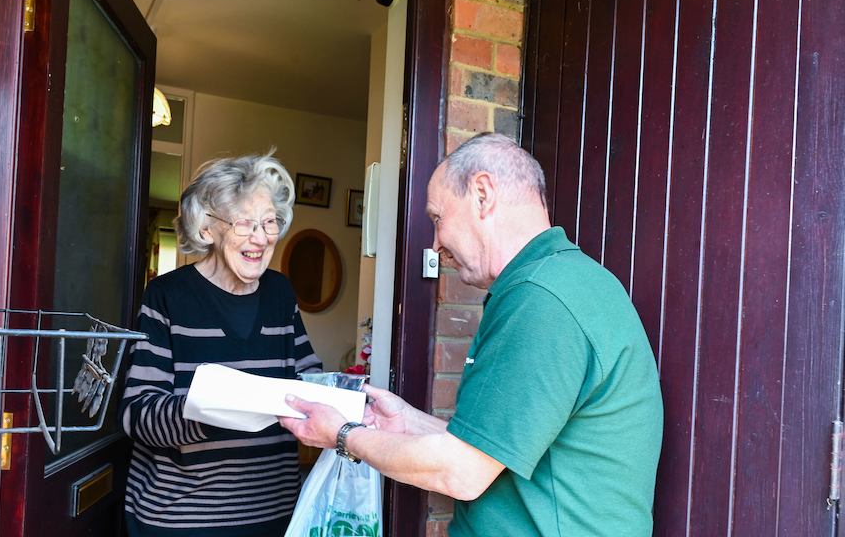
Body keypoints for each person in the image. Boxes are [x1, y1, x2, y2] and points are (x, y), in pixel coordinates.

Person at [280, 133, 663, 536]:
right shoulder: (557, 282)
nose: (435, 244)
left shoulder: (541, 301)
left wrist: (343, 435)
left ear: (482, 194)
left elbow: (461, 471)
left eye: (436, 219)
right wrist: (407, 421)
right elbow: (489, 449)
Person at [121, 152, 323, 536]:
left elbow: (307, 377)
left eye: (269, 222)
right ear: (207, 229)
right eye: (245, 223)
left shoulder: (280, 293)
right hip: (180, 518)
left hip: (273, 514)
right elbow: (138, 413)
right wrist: (216, 409)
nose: (261, 238)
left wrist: (339, 395)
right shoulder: (167, 296)